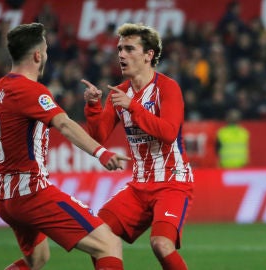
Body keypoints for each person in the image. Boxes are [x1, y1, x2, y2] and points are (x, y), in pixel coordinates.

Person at [0, 23, 128, 270]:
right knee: (108, 244)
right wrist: (101, 152)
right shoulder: (30, 90)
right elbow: (63, 123)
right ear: (38, 55)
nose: (47, 57)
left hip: (5, 195)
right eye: (46, 51)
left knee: (38, 259)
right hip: (31, 192)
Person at [82, 23, 194, 270]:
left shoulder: (167, 88)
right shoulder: (118, 93)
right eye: (120, 48)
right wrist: (93, 106)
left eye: (129, 49)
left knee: (161, 244)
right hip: (139, 184)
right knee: (97, 235)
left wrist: (133, 106)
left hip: (172, 181)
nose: (121, 54)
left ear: (148, 55)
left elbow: (168, 132)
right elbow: (98, 136)